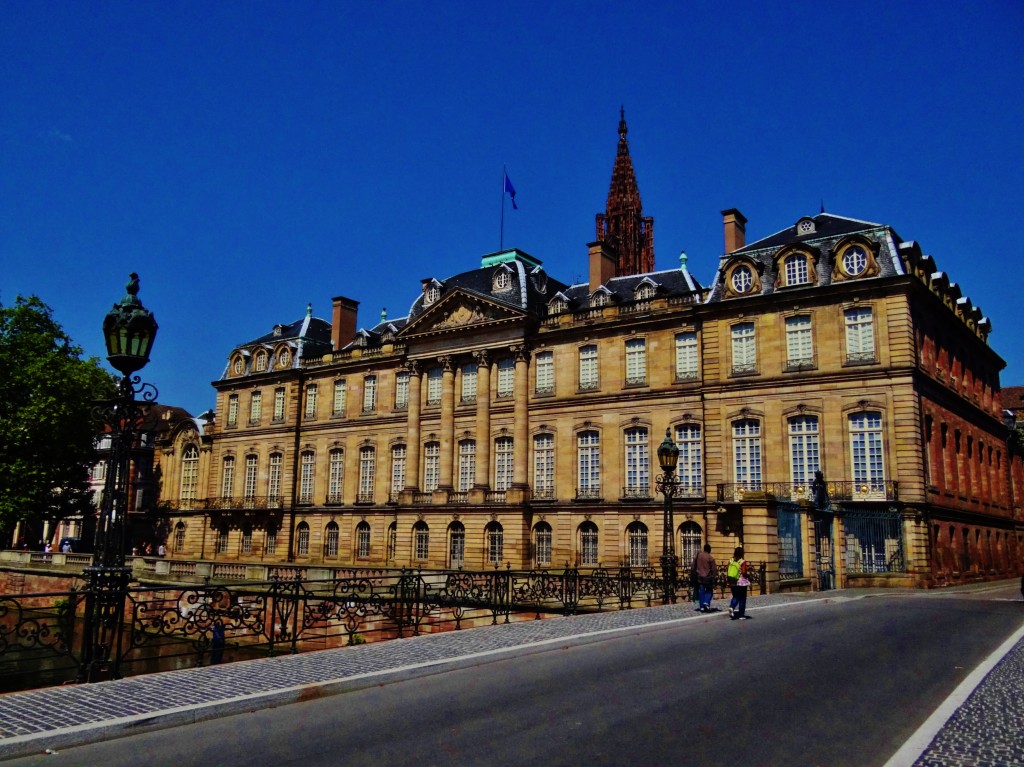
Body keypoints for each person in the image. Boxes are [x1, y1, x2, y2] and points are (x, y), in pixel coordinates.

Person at [691, 544, 717, 612]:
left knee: (701, 591)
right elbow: (714, 569)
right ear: (709, 550)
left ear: (704, 549)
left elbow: (693, 565)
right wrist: (714, 576)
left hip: (699, 576)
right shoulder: (710, 558)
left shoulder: (698, 555)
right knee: (709, 591)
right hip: (708, 577)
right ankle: (706, 601)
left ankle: (701, 607)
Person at [727, 546, 750, 620]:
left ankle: (732, 607)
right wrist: (748, 576)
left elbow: (728, 570)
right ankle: (741, 615)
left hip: (732, 581)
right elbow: (743, 572)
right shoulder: (742, 561)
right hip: (741, 582)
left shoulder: (731, 560)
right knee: (742, 598)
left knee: (735, 596)